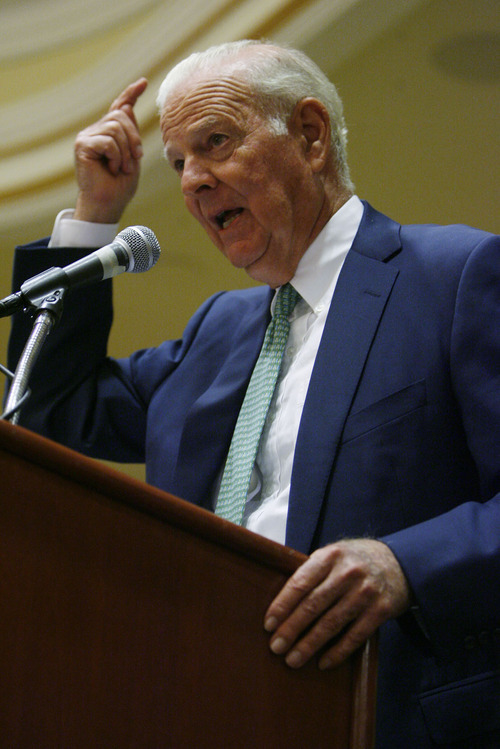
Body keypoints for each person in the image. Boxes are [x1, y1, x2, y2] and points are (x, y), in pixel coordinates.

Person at [7, 40, 499, 748]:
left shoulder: (455, 278)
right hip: (195, 706)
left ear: (310, 135)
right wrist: (93, 213)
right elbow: (53, 413)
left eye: (216, 143)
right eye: (178, 163)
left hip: (383, 713)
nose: (193, 182)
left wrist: (404, 565)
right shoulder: (217, 331)